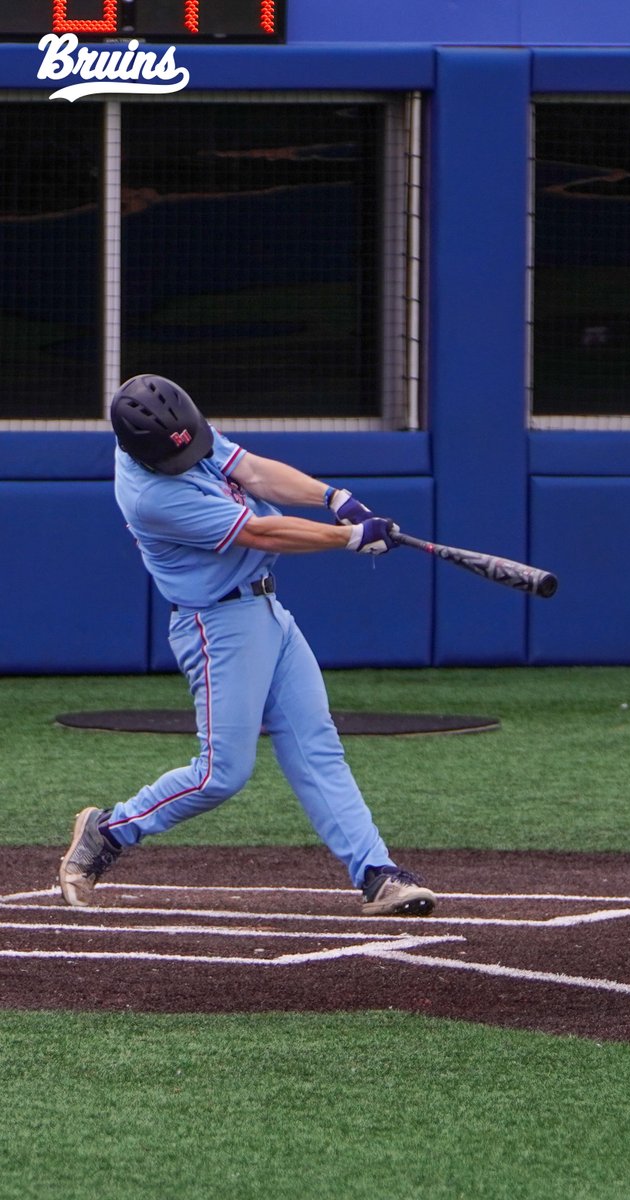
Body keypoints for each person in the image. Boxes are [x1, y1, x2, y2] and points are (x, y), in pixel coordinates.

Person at [58, 373, 436, 918]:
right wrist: (349, 537)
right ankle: (109, 830)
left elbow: (254, 471)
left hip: (265, 611)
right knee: (220, 774)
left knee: (316, 744)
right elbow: (261, 532)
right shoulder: (151, 495)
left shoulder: (180, 431)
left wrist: (337, 498)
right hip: (217, 626)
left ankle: (376, 873)